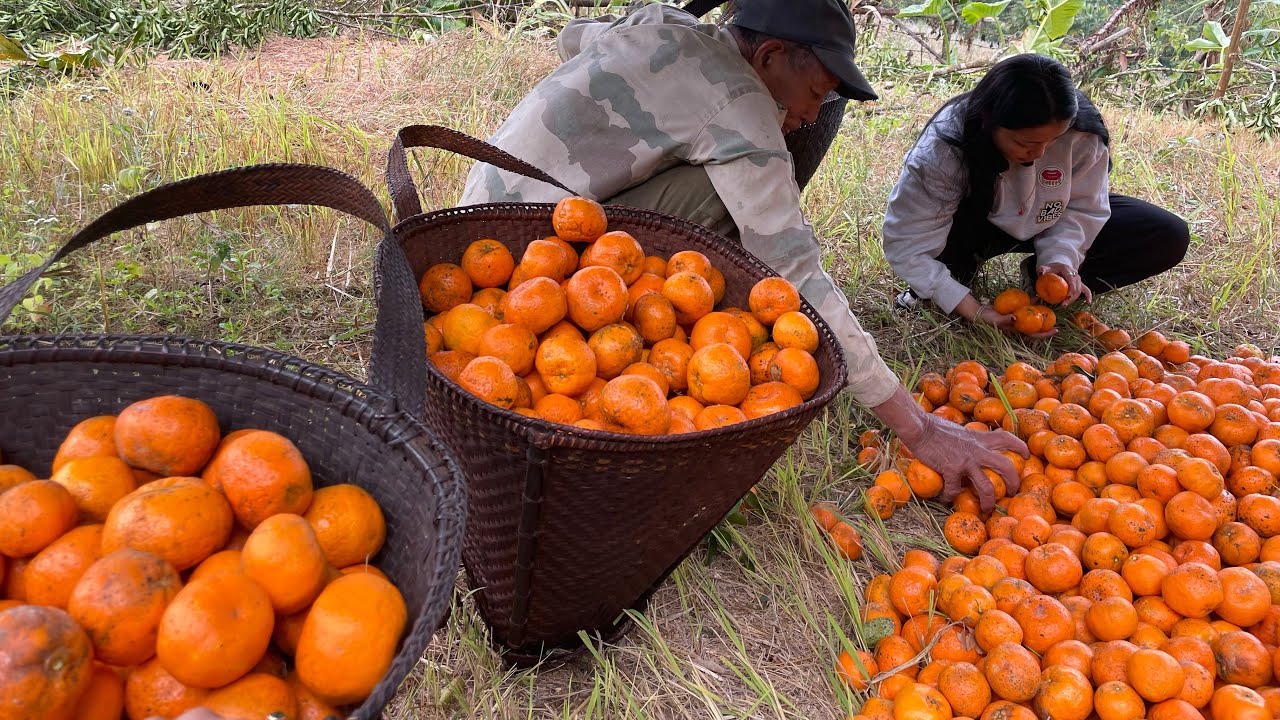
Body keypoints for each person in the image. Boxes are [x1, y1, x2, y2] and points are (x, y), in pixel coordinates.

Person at [458, 0, 1024, 509]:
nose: (811, 113)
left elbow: (573, 38)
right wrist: (919, 428)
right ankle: (677, 315)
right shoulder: (743, 105)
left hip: (475, 219)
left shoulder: (664, 20)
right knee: (733, 202)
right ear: (772, 54)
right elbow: (796, 270)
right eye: (816, 92)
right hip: (528, 265)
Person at [882, 54, 1190, 328]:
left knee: (1165, 234)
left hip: (1046, 213)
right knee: (942, 291)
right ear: (989, 123)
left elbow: (1083, 207)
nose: (1040, 153)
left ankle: (1039, 280)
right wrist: (973, 309)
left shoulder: (1082, 134)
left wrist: (1061, 260)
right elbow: (908, 245)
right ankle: (948, 280)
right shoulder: (944, 149)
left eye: (1052, 141)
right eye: (1024, 143)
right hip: (969, 224)